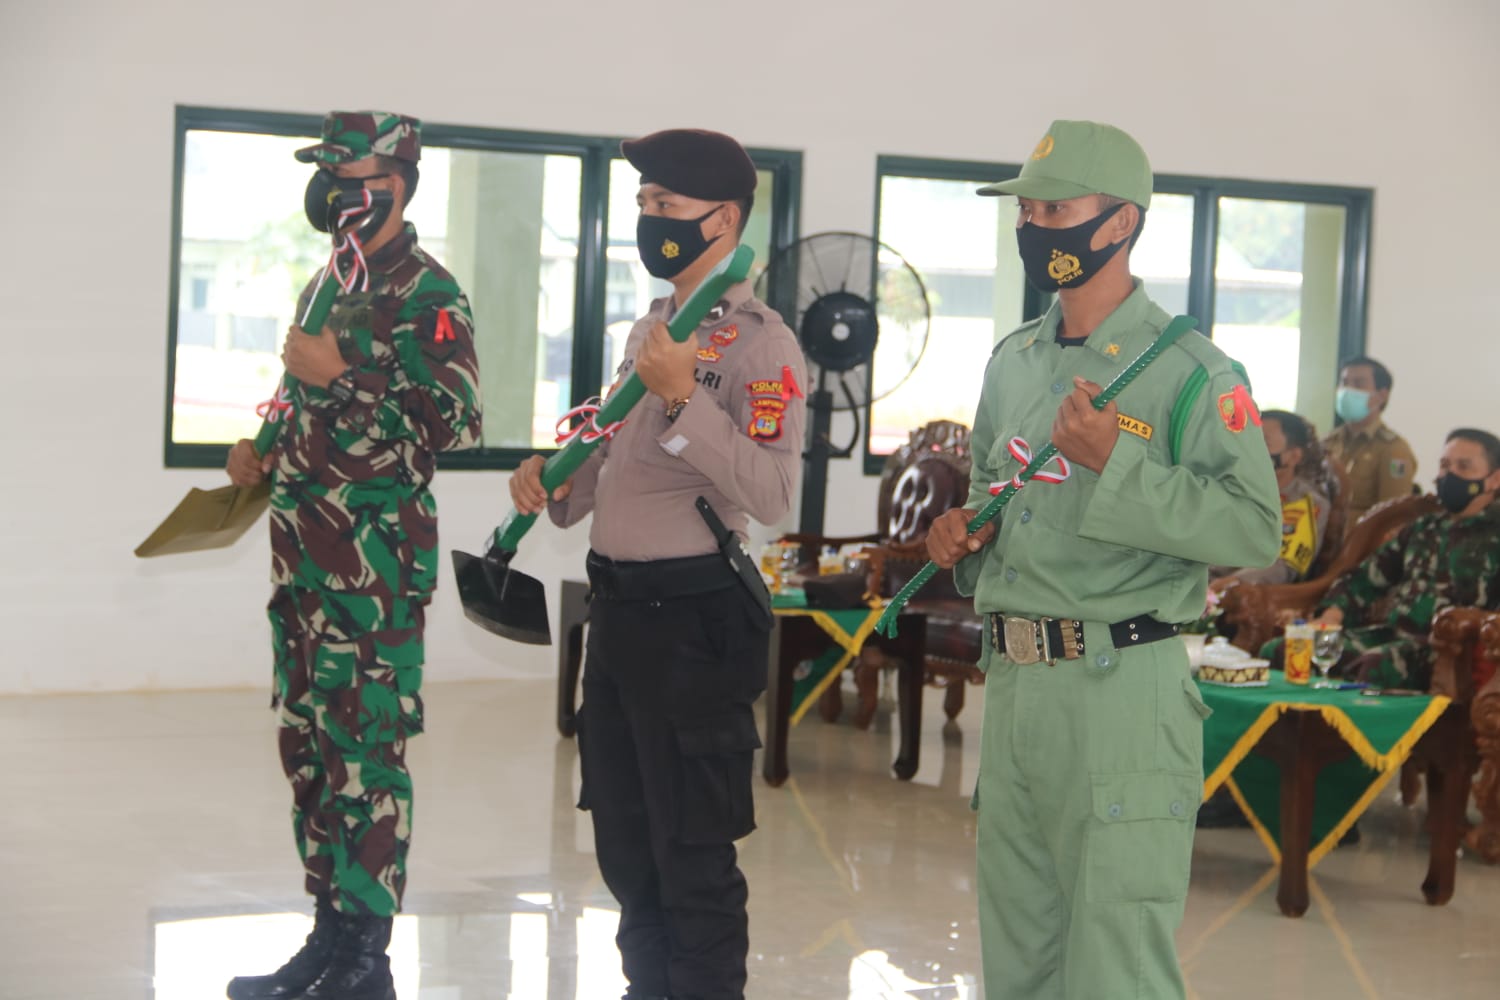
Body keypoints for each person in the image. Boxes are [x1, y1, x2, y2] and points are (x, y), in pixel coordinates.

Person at [924, 119, 1281, 1000]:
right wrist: (963, 535)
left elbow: (1252, 529)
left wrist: (1116, 462)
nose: (1034, 226)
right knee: (1020, 956)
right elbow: (994, 497)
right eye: (1027, 212)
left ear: (1119, 222)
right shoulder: (1014, 361)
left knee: (1116, 966)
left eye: (1056, 210)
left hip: (1122, 686)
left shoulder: (1191, 371)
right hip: (1017, 684)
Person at [509, 128, 805, 1000]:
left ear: (723, 219)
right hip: (620, 615)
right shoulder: (652, 327)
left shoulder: (761, 344)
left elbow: (772, 492)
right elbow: (615, 457)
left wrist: (683, 396)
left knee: (692, 856)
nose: (648, 217)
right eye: (643, 202)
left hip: (692, 621)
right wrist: (553, 481)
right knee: (627, 846)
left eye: (665, 203)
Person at [224, 111, 482, 1000]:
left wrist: (341, 376)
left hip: (373, 573)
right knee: (311, 754)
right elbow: (301, 395)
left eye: (348, 172)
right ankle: (329, 941)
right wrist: (261, 446)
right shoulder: (330, 281)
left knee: (366, 761)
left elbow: (452, 424)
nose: (332, 188)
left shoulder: (428, 292)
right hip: (302, 564)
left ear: (395, 180)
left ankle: (367, 961)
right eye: (327, 173)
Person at [1303, 428, 1500, 690]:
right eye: (1444, 465)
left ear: (1494, 479)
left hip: (1449, 651)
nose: (1449, 475)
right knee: (1293, 648)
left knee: (1376, 665)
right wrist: (1332, 615)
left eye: (1463, 467)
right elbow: (1365, 578)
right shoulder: (1423, 528)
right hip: (1392, 636)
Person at [1210, 409, 1331, 590]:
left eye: (1263, 442)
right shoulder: (1233, 486)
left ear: (1294, 456)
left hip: (1236, 592)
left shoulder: (1307, 503)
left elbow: (1281, 566)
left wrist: (1229, 584)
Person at [1323, 355, 1418, 521]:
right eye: (1344, 382)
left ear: (1382, 395)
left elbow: (1391, 516)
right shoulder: (1327, 442)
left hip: (1358, 535)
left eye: (1358, 383)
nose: (1347, 390)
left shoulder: (1393, 449)